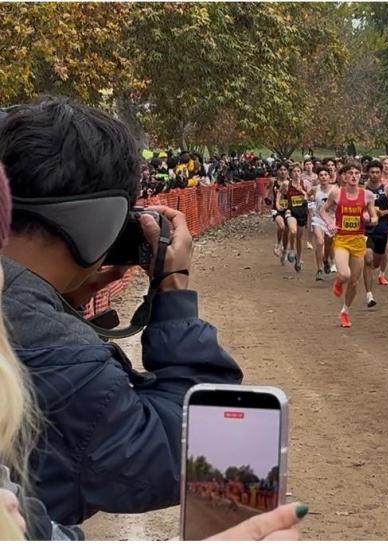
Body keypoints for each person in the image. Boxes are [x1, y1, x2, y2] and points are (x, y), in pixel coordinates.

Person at [0, 97, 243, 524]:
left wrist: (56, 302)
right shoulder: (65, 359)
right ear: (100, 223)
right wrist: (173, 285)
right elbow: (198, 445)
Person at [318, 161, 379, 328]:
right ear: (344, 176)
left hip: (359, 240)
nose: (353, 176)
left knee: (353, 281)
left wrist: (370, 219)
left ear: (361, 176)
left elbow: (374, 217)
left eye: (357, 173)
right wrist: (330, 222)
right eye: (350, 173)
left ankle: (345, 311)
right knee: (344, 275)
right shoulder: (336, 193)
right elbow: (323, 210)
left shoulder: (367, 195)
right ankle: (338, 281)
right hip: (342, 240)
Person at [361, 160, 388, 307]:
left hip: (382, 229)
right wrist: (364, 214)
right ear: (367, 173)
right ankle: (369, 295)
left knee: (375, 262)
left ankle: (373, 272)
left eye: (377, 172)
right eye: (372, 172)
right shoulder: (362, 190)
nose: (375, 175)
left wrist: (384, 212)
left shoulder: (387, 190)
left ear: (381, 173)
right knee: (368, 259)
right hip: (367, 229)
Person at [308, 168, 335, 280]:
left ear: (329, 177)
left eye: (325, 175)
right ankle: (319, 269)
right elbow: (307, 196)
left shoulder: (335, 189)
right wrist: (311, 207)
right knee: (319, 242)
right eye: (321, 175)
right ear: (318, 177)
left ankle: (325, 260)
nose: (323, 177)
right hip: (318, 219)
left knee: (328, 244)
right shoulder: (315, 189)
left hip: (331, 220)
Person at [283, 164, 310, 272]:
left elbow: (310, 197)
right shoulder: (286, 184)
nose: (296, 173)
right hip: (291, 210)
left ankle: (299, 260)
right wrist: (279, 203)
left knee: (299, 237)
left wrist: (302, 191)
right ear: (290, 173)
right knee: (293, 231)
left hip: (302, 211)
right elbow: (280, 194)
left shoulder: (306, 183)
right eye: (294, 171)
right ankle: (291, 250)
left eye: (298, 171)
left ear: (301, 172)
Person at [271, 165, 290, 257]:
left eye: (284, 169)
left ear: (287, 171)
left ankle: (285, 249)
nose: (282, 172)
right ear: (277, 171)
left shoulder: (291, 182)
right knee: (281, 227)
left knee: (286, 230)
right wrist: (267, 198)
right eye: (280, 169)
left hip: (288, 208)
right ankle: (278, 243)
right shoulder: (273, 182)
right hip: (276, 208)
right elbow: (269, 191)